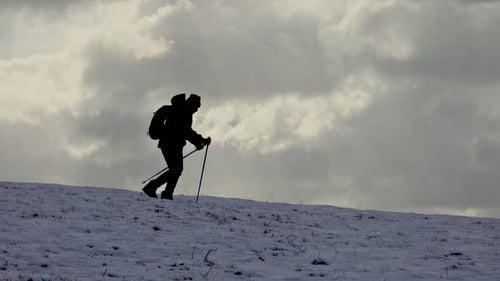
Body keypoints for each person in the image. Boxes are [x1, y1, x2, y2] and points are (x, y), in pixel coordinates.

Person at [143, 93, 211, 200]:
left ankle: (166, 193)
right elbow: (185, 131)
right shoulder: (183, 112)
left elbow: (185, 131)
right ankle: (153, 187)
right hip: (170, 143)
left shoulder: (182, 111)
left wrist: (199, 141)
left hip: (171, 143)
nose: (197, 110)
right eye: (196, 107)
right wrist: (200, 141)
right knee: (176, 169)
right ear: (191, 104)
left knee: (176, 169)